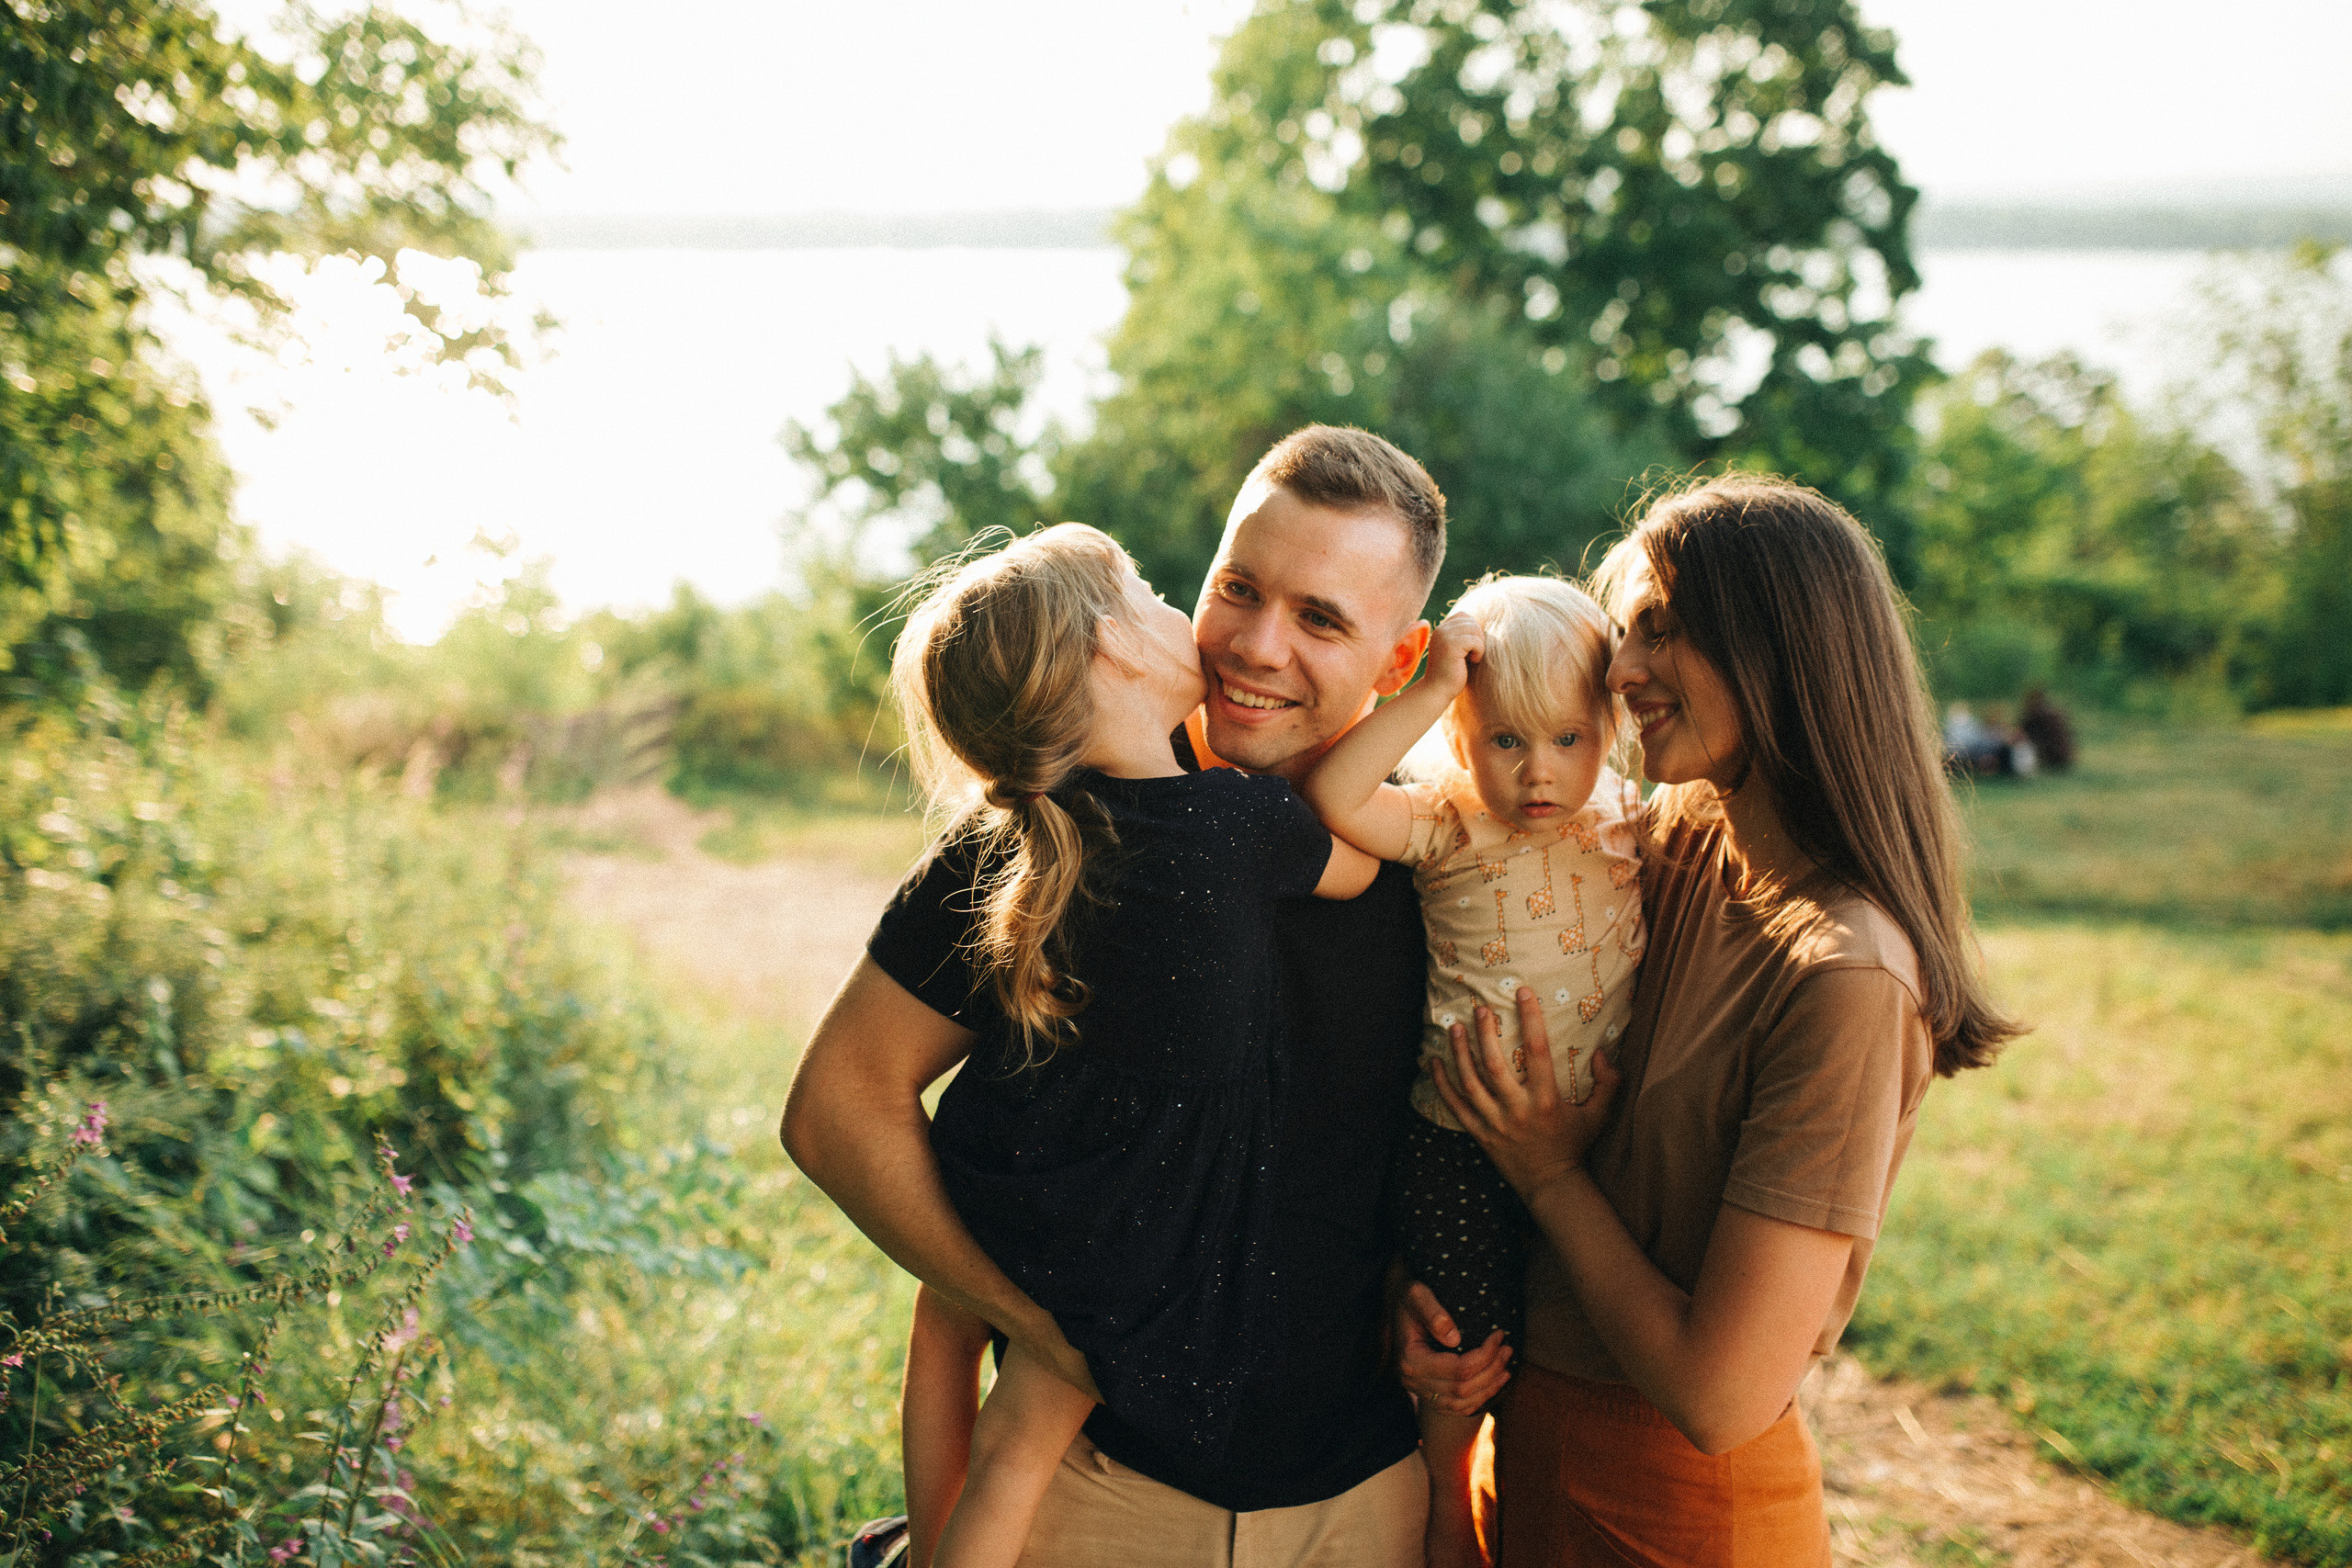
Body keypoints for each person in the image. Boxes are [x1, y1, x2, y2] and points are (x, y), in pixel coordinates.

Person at [784, 425, 1449, 1568]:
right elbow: (837, 1104)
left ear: (1400, 664)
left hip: (1360, 1500)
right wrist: (1035, 1321)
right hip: (1097, 1496)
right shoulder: (1046, 842)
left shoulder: (1446, 867)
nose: (1256, 644)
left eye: (1321, 619)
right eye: (1237, 589)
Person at [1402, 474, 2020, 1566]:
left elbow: (1719, 1393)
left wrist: (1547, 1174)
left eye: (1661, 632)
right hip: (1526, 1444)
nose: (1619, 667)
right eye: (1624, 633)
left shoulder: (1846, 977)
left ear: (1780, 651)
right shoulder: (1667, 841)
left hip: (1674, 1515)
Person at [1299, 575, 1643, 1568]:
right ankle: (1446, 1495)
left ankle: (1529, 1493)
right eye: (1505, 740)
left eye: (1568, 739)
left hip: (1596, 1138)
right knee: (1462, 1334)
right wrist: (1421, 688)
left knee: (1572, 1340)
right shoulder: (1449, 820)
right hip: (1455, 1137)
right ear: (1459, 733)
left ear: (1607, 728)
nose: (1540, 772)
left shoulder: (1627, 820)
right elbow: (1331, 794)